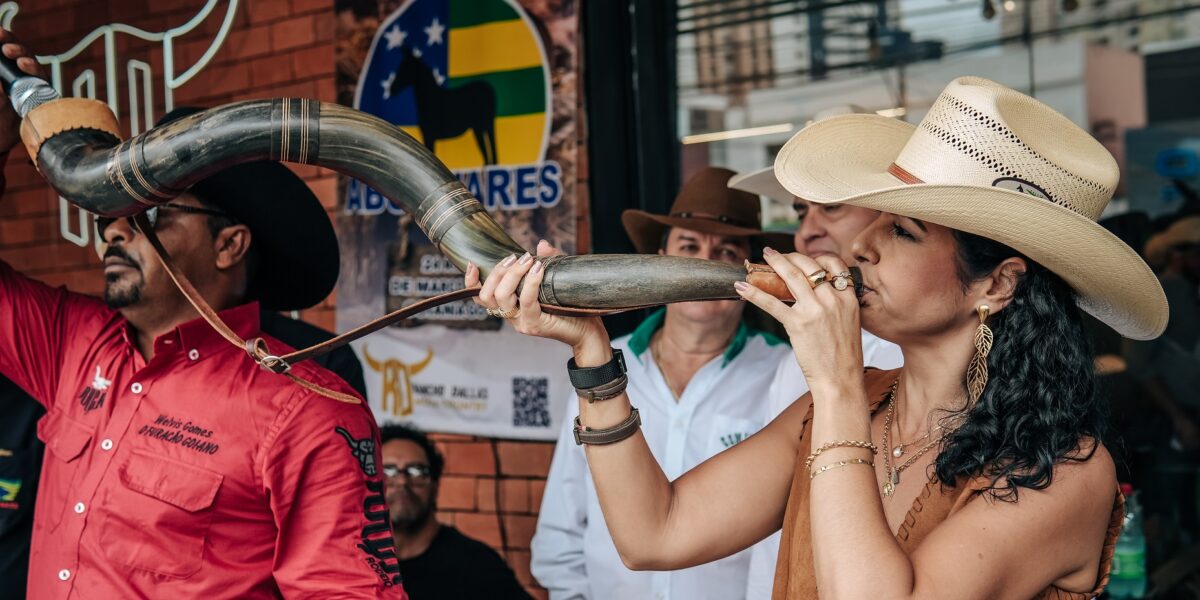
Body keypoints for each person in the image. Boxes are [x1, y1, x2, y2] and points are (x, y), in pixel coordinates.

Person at [474, 76, 1166, 599]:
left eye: (902, 230)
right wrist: (592, 353)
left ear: (998, 285)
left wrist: (833, 382)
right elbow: (653, 533)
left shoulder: (1066, 468)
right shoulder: (848, 407)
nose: (860, 245)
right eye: (875, 221)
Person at [0, 33, 405, 598]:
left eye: (153, 214)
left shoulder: (305, 413)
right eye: (112, 216)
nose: (117, 229)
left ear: (229, 246)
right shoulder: (74, 343)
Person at [527, 167, 795, 600]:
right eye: (688, 247)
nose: (703, 264)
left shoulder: (787, 372)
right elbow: (564, 518)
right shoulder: (602, 360)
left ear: (752, 273)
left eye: (724, 251)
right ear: (659, 261)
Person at [729, 161, 903, 600]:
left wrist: (835, 386)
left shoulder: (917, 356)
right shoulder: (797, 353)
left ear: (887, 216)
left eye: (830, 207)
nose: (806, 232)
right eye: (800, 210)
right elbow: (658, 533)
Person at [379, 424, 532, 600]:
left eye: (417, 471)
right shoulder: (355, 562)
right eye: (387, 471)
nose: (402, 482)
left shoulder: (477, 565)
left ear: (435, 485)